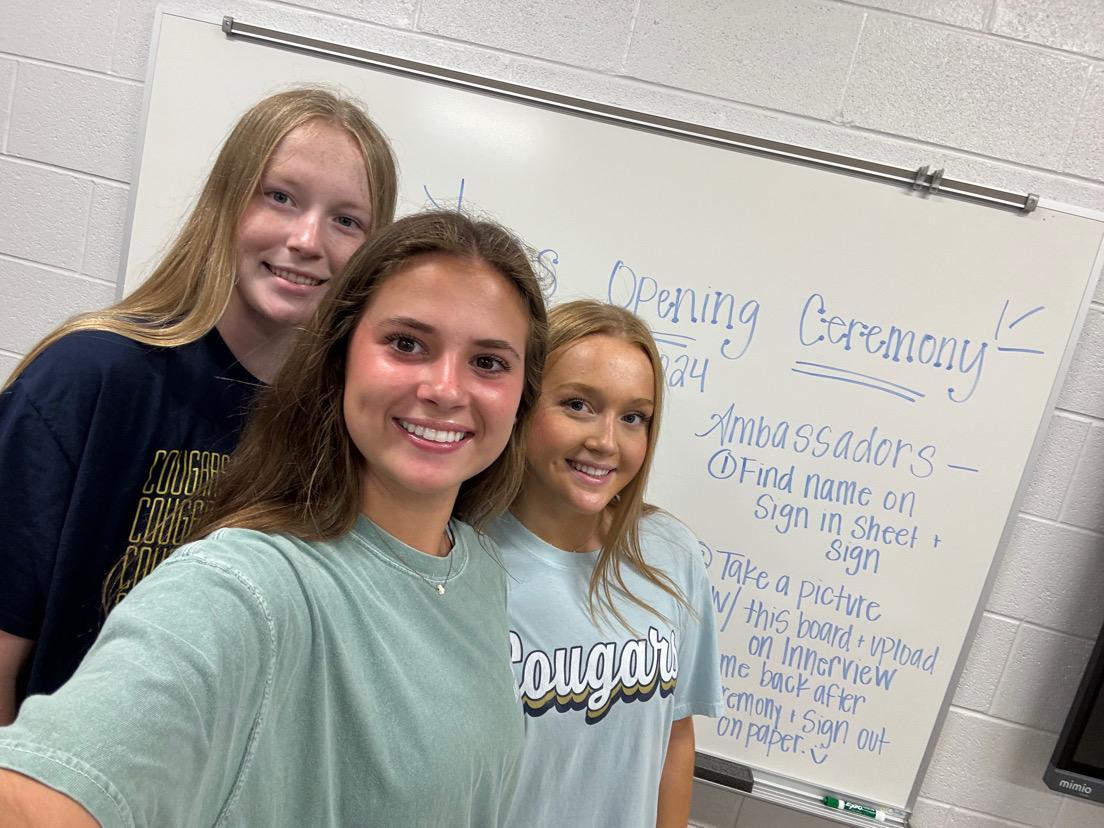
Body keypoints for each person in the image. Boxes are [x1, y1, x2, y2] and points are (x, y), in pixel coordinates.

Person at [0, 210, 549, 827]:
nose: (445, 389)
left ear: (522, 394)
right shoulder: (243, 586)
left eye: (489, 362)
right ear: (340, 356)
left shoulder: (477, 567)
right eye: (406, 344)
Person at [0, 87, 397, 723]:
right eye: (280, 196)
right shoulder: (86, 378)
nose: (307, 239)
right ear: (227, 202)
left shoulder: (346, 432)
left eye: (347, 221)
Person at [488, 300, 723, 827]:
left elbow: (675, 735)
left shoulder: (670, 552)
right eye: (578, 405)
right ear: (523, 403)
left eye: (633, 417)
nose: (606, 441)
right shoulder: (462, 559)